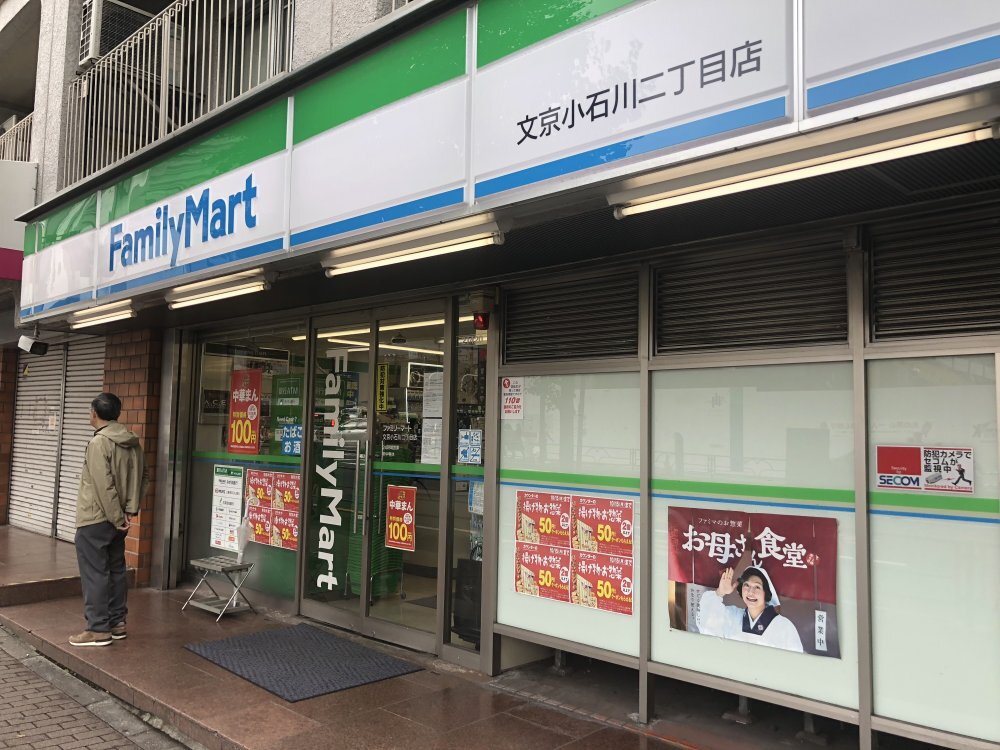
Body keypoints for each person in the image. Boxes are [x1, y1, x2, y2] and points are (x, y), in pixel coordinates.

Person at [69, 393, 148, 647]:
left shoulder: (99, 443)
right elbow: (143, 477)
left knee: (95, 573)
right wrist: (129, 511)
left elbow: (103, 485)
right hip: (119, 520)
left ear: (94, 413)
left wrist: (115, 516)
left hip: (96, 518)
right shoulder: (133, 442)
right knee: (116, 571)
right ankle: (117, 623)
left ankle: (97, 629)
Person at [696, 565, 804, 653]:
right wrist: (720, 592)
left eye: (757, 587)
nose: (750, 592)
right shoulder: (733, 616)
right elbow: (708, 625)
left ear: (765, 593)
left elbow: (794, 663)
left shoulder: (784, 626)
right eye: (746, 585)